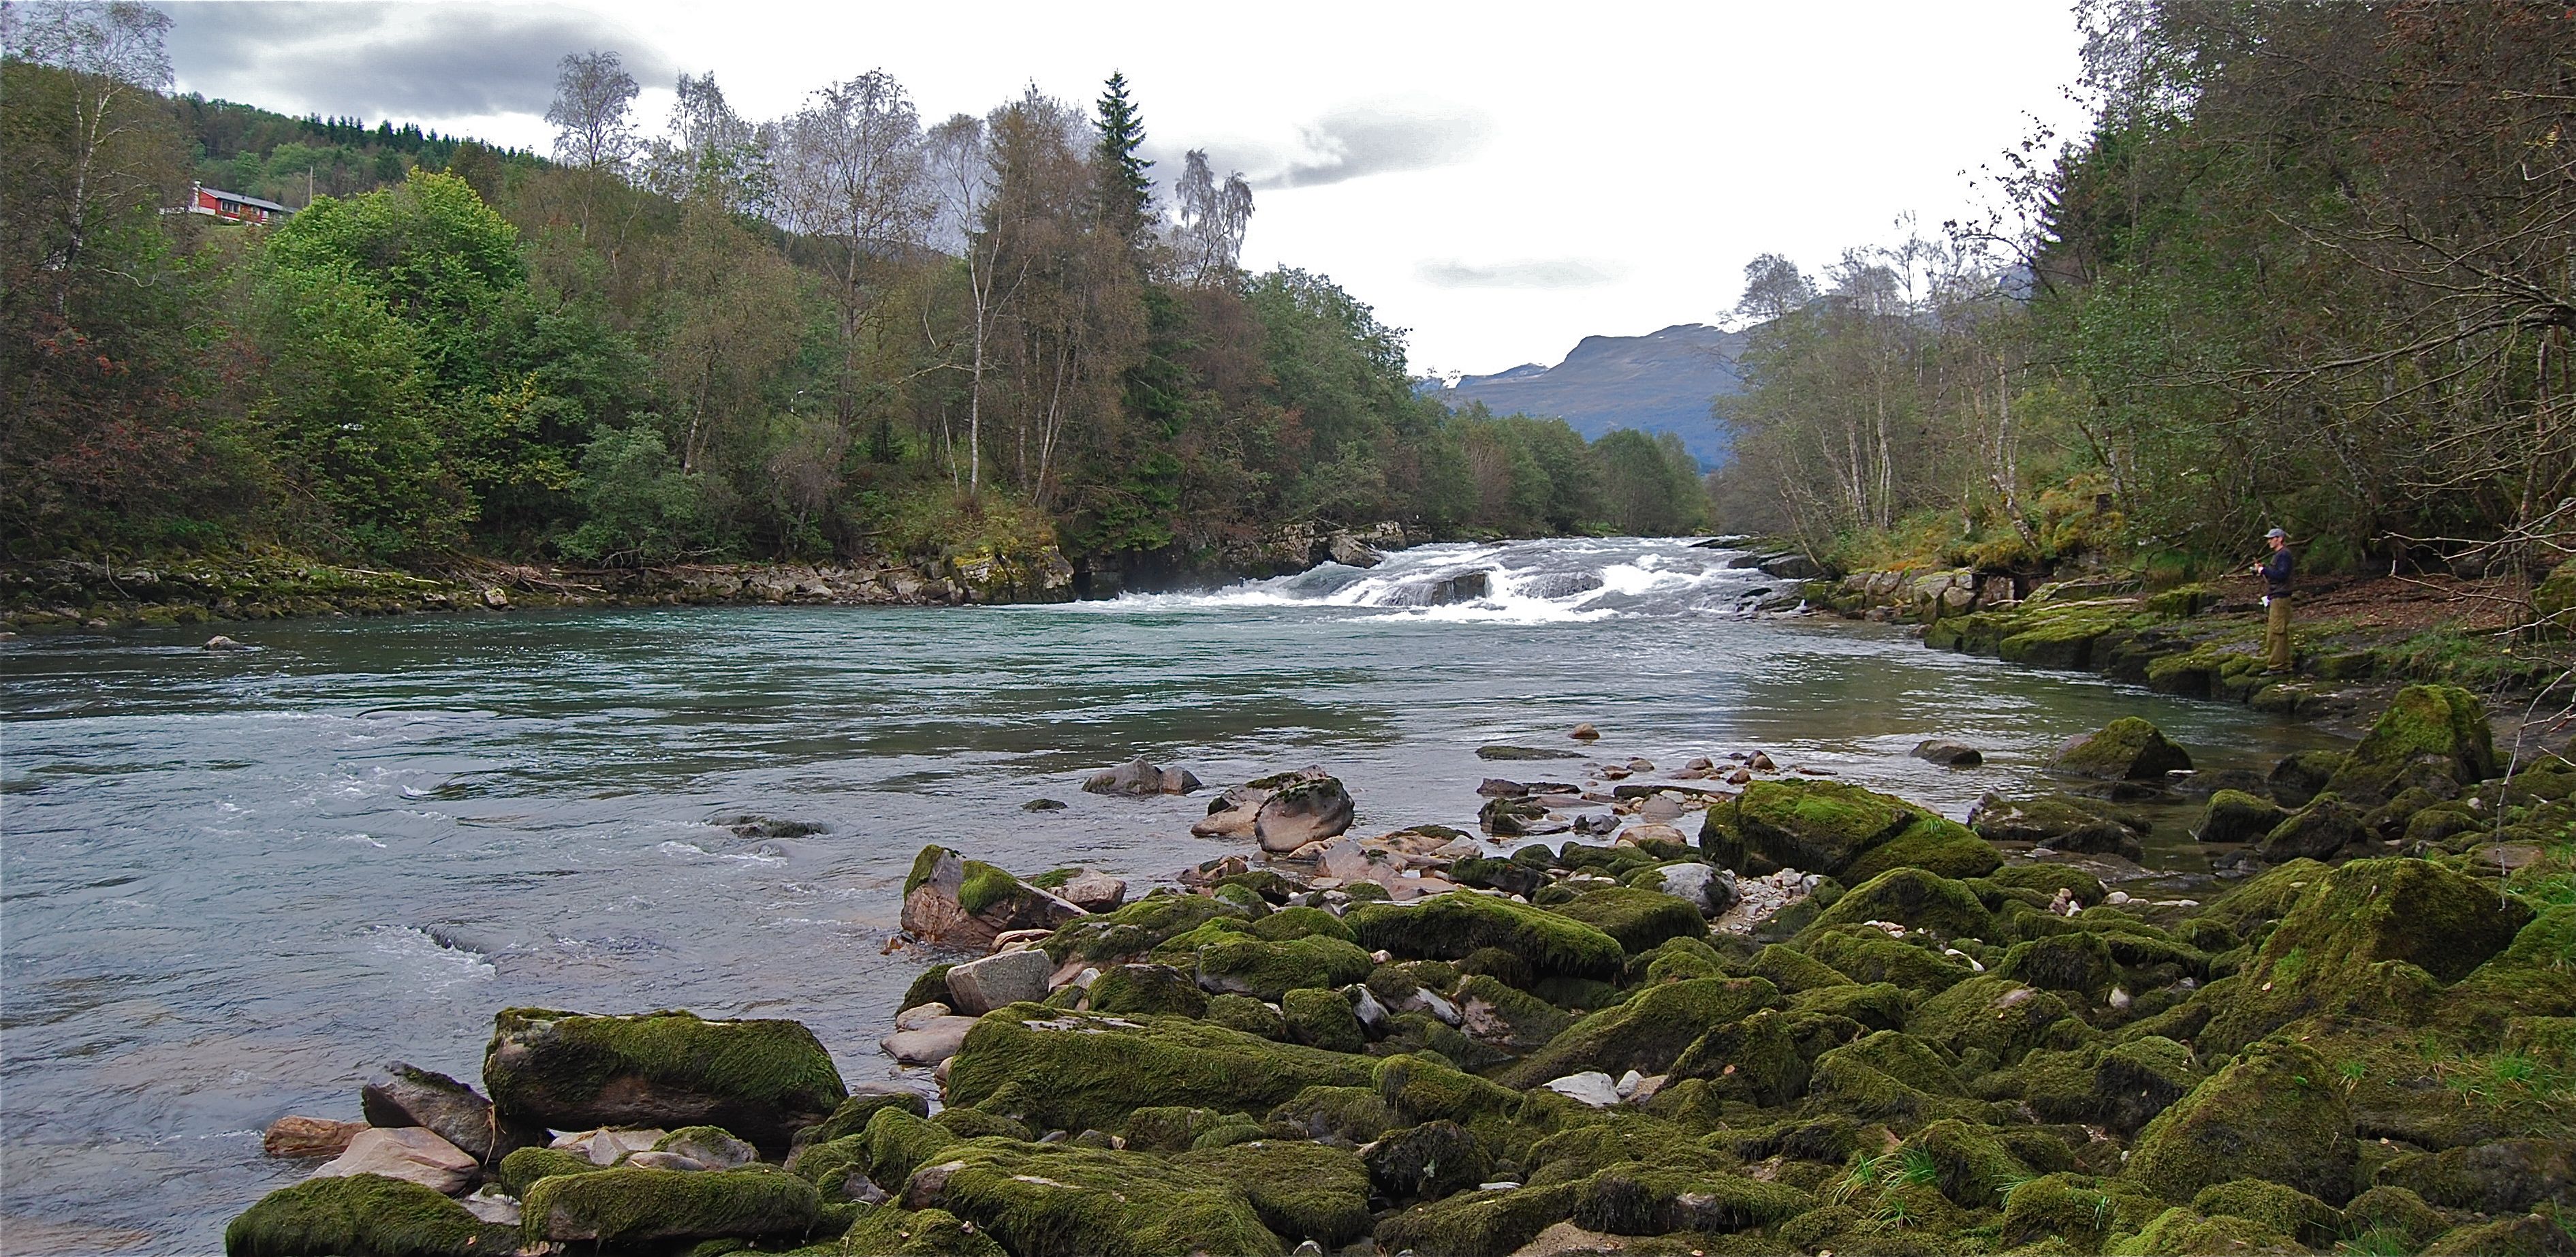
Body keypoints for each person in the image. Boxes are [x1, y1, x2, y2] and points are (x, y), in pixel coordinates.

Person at [2250, 527, 2294, 672]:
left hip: (2281, 598)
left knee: (2276, 633)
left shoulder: (2284, 555)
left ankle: (2277, 667)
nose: (2269, 541)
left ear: (2279, 539)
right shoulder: (2280, 555)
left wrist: (2263, 570)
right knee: (2279, 632)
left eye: (2271, 538)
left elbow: (2281, 575)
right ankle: (2285, 664)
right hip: (2277, 597)